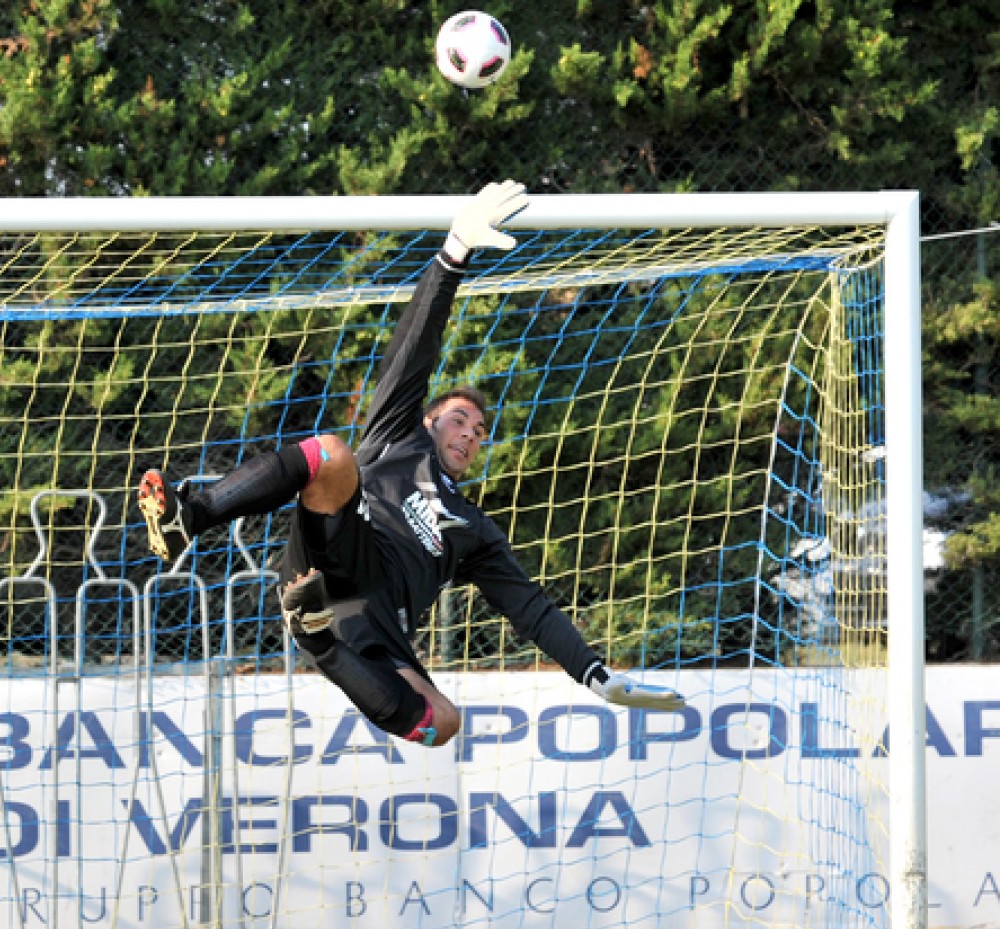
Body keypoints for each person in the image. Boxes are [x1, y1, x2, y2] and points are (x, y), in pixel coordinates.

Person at [136, 180, 684, 747]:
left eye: (479, 431)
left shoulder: (476, 533)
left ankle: (316, 639)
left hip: (369, 618)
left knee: (442, 723)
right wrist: (453, 255)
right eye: (458, 419)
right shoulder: (400, 433)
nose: (469, 432)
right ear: (428, 421)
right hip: (341, 553)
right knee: (331, 454)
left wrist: (594, 675)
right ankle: (190, 517)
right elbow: (415, 346)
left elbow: (533, 611)